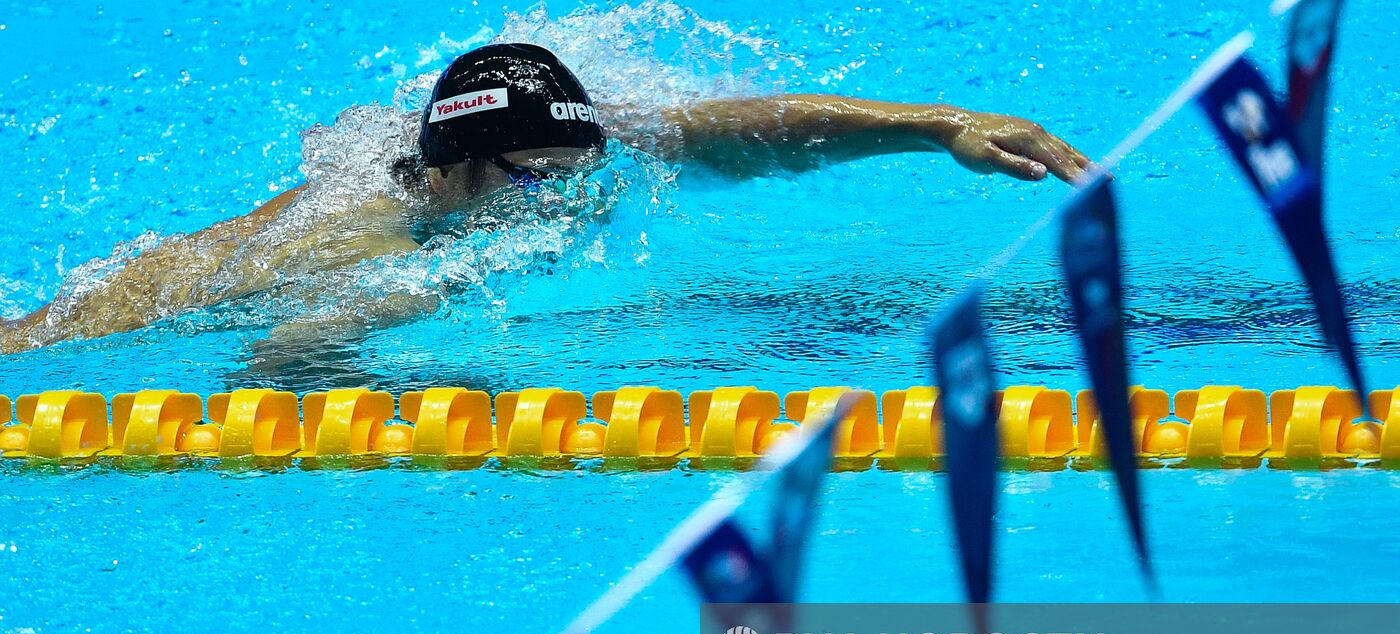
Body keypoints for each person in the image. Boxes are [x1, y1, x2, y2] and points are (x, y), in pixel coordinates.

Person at [0, 43, 1092, 356]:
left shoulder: (545, 148)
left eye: (580, 171)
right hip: (153, 304)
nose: (567, 199)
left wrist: (933, 124)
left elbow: (744, 127)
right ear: (459, 173)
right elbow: (289, 351)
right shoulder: (383, 240)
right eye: (538, 182)